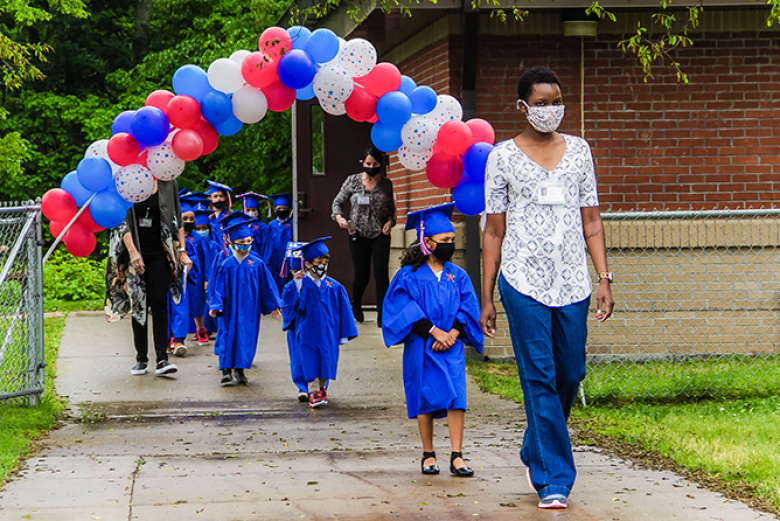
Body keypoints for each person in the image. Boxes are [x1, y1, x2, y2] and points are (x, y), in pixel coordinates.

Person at [480, 66, 615, 510]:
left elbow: (591, 219)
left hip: (573, 279)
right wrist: (488, 295)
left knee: (570, 372)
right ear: (522, 107)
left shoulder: (579, 151)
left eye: (556, 102)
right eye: (540, 104)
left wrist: (604, 278)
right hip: (521, 280)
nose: (549, 110)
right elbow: (494, 231)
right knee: (538, 374)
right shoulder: (501, 156)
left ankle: (535, 446)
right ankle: (553, 477)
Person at [382, 203, 483, 478]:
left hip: (451, 346)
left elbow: (469, 307)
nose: (450, 245)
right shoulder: (408, 275)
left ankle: (457, 455)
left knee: (456, 397)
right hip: (421, 346)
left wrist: (452, 333)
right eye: (445, 241)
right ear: (427, 242)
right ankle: (428, 454)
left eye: (452, 240)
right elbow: (401, 308)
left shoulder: (457, 275)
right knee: (424, 396)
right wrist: (433, 331)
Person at [106, 178, 193, 377]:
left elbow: (176, 218)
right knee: (139, 303)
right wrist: (133, 252)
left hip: (161, 252)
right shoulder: (127, 179)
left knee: (159, 300)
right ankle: (141, 359)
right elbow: (121, 221)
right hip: (134, 251)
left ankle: (162, 359)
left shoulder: (167, 182)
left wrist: (182, 251)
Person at [281, 237, 358, 408]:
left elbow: (344, 311)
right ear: (308, 264)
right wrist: (299, 286)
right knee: (308, 360)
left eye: (326, 260)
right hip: (307, 332)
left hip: (328, 333)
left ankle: (321, 389)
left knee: (327, 360)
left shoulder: (334, 286)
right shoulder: (297, 284)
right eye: (319, 261)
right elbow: (295, 308)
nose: (323, 264)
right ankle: (313, 391)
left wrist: (344, 334)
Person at [208, 220, 282, 385]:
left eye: (249, 242)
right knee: (227, 336)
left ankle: (240, 370)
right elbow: (218, 288)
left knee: (246, 337)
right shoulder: (226, 265)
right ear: (232, 243)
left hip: (250, 308)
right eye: (241, 243)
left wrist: (274, 305)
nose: (246, 246)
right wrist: (215, 305)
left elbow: (267, 286)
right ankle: (226, 371)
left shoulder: (257, 264)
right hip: (228, 310)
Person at [331, 147, 396, 327]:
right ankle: (356, 304)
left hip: (380, 233)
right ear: (363, 163)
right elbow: (338, 202)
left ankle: (382, 314)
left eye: (375, 165)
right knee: (362, 274)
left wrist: (390, 222)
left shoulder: (386, 184)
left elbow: (391, 212)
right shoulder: (352, 181)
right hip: (357, 232)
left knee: (381, 273)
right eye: (368, 164)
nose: (371, 167)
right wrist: (339, 217)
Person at [166, 196, 203, 356]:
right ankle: (167, 340)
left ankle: (179, 340)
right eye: (184, 219)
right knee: (166, 308)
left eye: (191, 218)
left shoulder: (197, 239)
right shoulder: (169, 235)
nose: (188, 221)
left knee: (180, 307)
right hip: (167, 275)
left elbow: (198, 259)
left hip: (183, 279)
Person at [191, 206, 219, 343]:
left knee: (209, 302)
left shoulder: (215, 245)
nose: (202, 231)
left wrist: (209, 278)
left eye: (204, 228)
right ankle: (198, 329)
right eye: (198, 229)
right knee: (196, 303)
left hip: (209, 276)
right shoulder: (193, 242)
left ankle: (209, 328)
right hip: (196, 276)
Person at [268, 193, 294, 295]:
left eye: (284, 208)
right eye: (279, 208)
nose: (282, 210)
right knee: (274, 278)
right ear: (274, 209)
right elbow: (267, 243)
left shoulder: (292, 224)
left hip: (286, 256)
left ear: (289, 209)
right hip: (274, 257)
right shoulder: (271, 225)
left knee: (287, 278)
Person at [237, 192, 272, 265]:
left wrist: (265, 262)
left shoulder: (262, 226)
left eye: (253, 210)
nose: (250, 212)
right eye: (248, 210)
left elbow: (267, 245)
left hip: (258, 260)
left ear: (257, 211)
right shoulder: (240, 226)